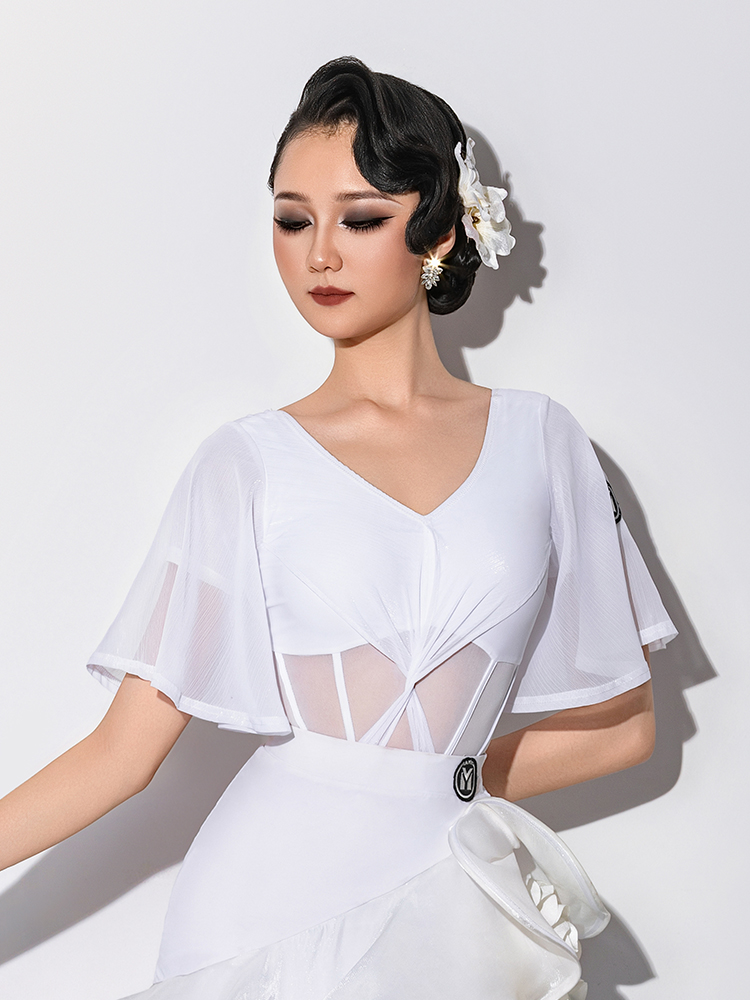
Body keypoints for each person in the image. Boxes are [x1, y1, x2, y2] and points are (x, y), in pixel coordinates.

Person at [0, 57, 676, 1000]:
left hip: (445, 895)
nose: (319, 254)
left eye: (359, 219)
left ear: (441, 229)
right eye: (292, 220)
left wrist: (448, 788)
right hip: (257, 905)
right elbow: (122, 753)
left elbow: (626, 728)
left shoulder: (544, 442)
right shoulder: (245, 463)